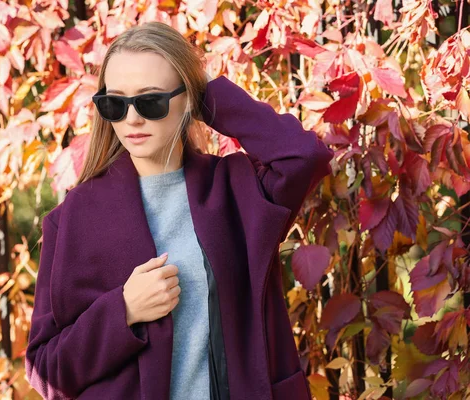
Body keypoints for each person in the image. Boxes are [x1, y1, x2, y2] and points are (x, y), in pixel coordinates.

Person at [25, 21, 334, 400]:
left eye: (150, 101)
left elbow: (304, 156)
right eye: (115, 103)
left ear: (189, 100)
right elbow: (45, 371)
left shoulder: (238, 192)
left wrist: (207, 91)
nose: (132, 118)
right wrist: (122, 311)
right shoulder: (73, 218)